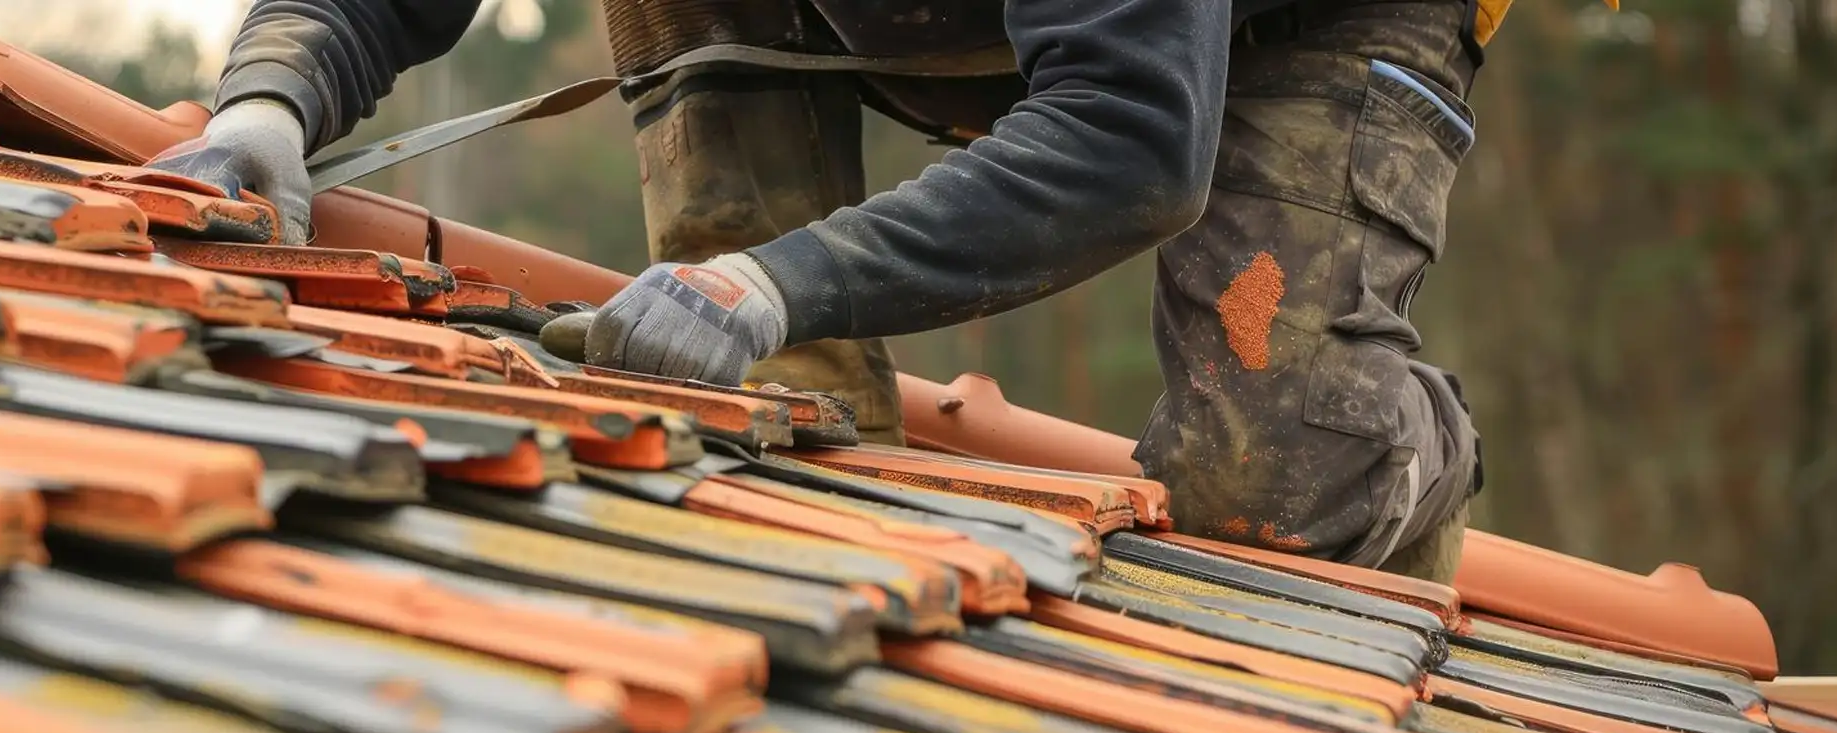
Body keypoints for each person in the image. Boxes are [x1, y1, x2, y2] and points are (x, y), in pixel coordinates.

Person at [155, 0, 1518, 581]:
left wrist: (772, 280)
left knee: (1268, 467)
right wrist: (273, 99)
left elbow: (1131, 136)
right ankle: (811, 454)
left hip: (1312, 25)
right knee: (748, 410)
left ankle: (1396, 444)